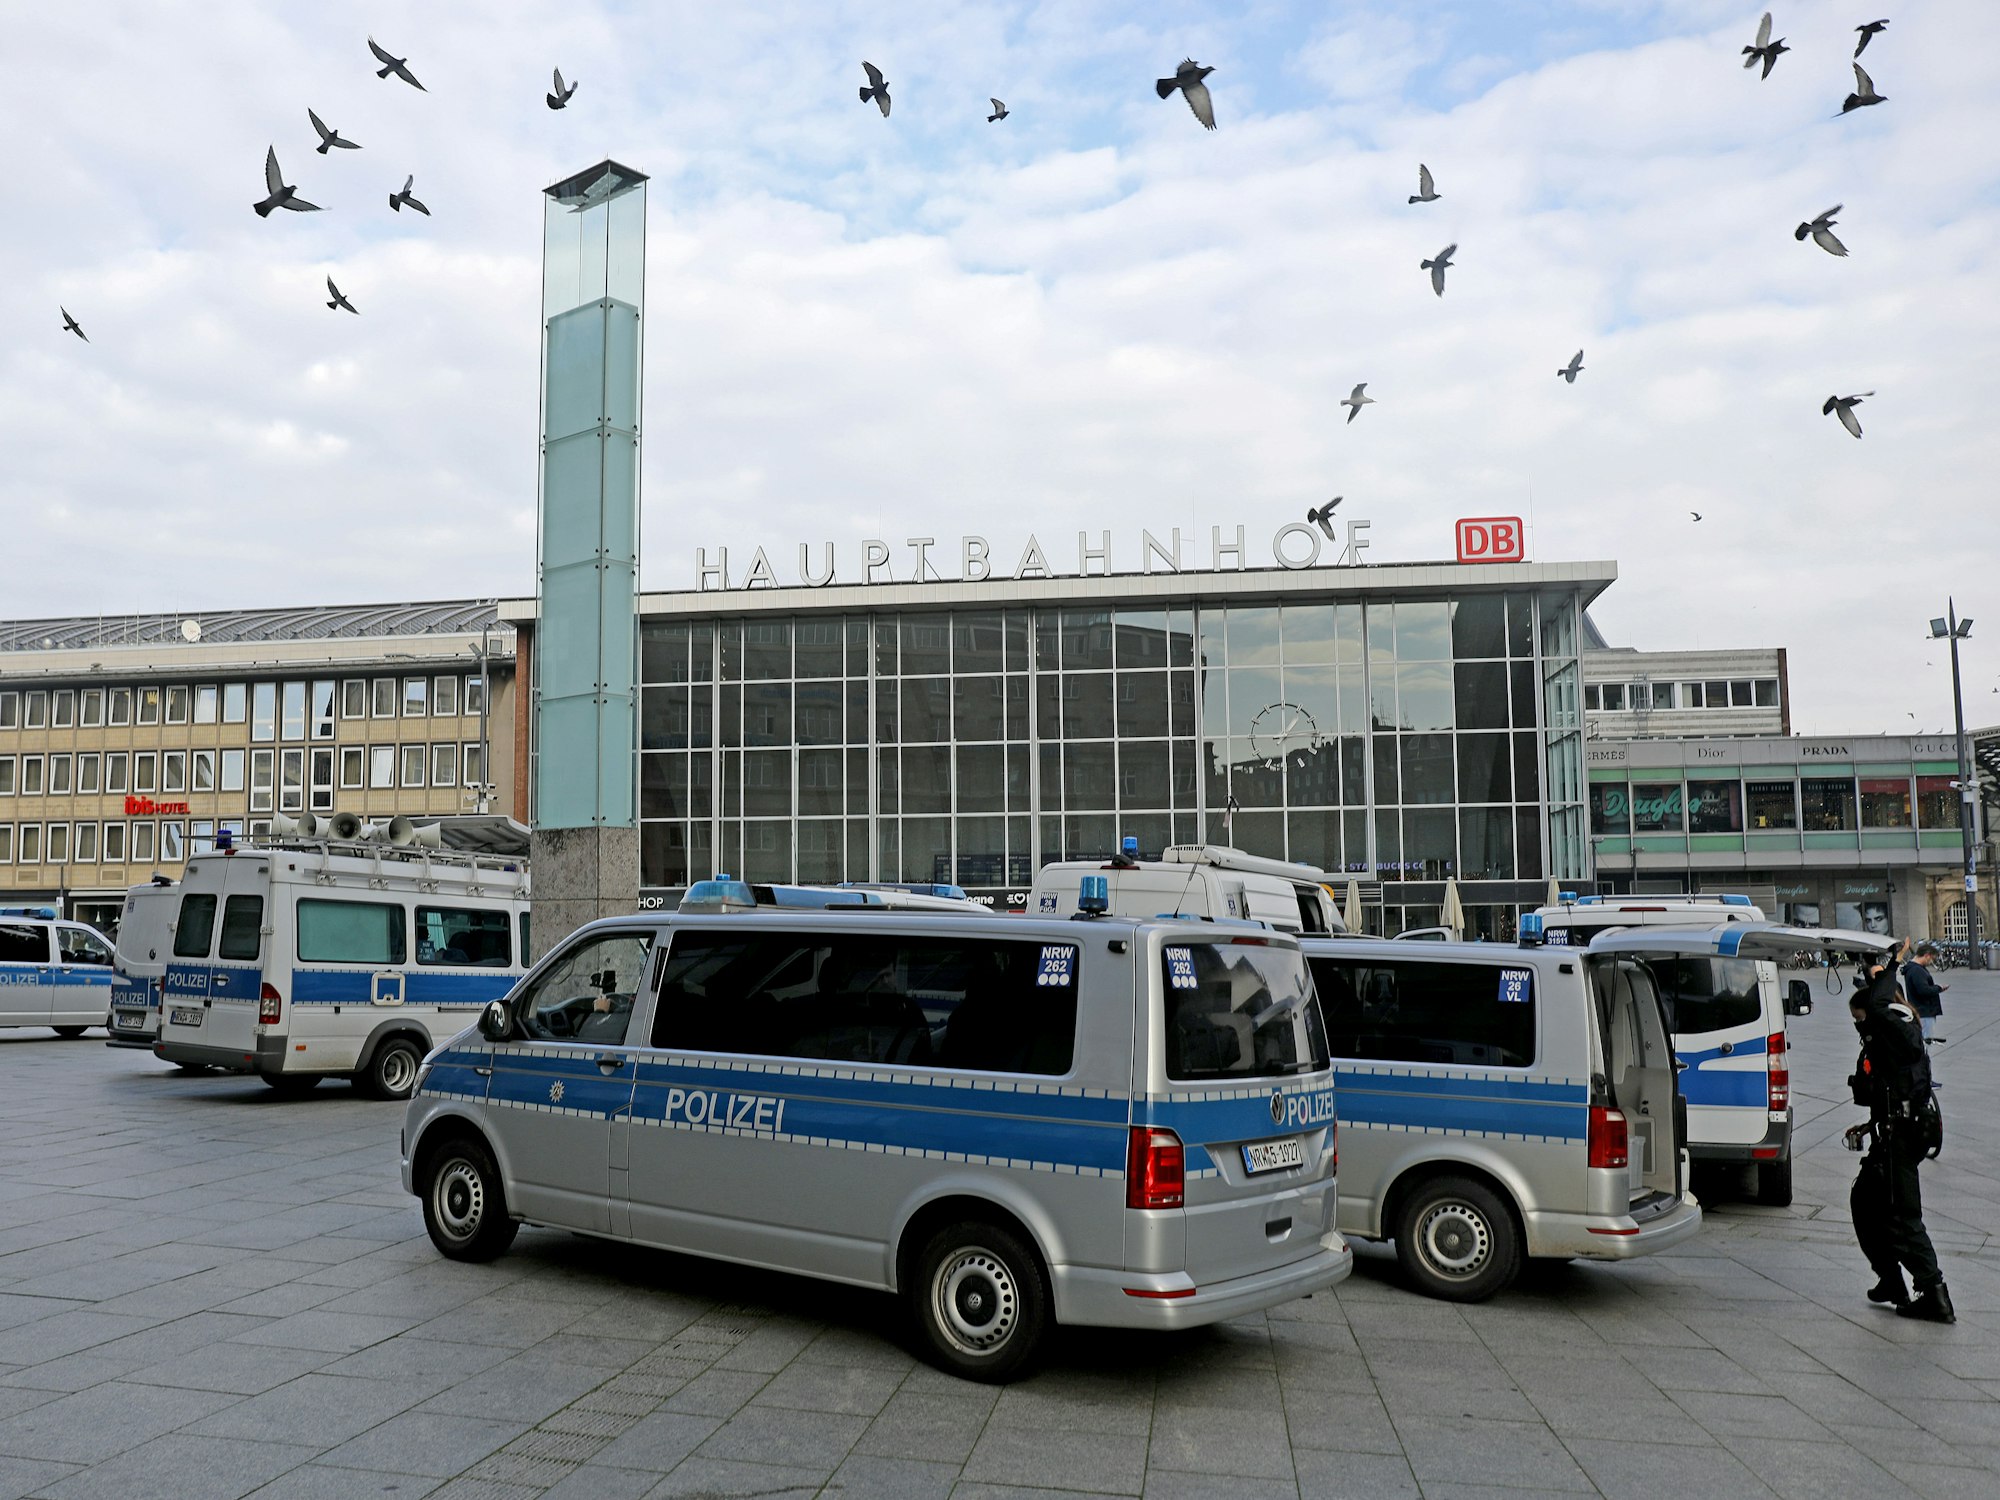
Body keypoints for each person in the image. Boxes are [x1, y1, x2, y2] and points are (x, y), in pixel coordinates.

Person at [1844, 938, 1953, 1322]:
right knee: (1865, 1202)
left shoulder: (1896, 1027)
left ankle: (1934, 1292)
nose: (1861, 1028)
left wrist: (1892, 963)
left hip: (1901, 1135)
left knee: (1901, 1214)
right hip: (1897, 1129)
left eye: (1860, 1021)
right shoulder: (1899, 1029)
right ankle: (1891, 1278)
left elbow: (1875, 1006)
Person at [1901, 941, 1947, 1057]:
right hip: (1924, 1011)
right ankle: (1922, 1067)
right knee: (1925, 1044)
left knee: (1922, 1042)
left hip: (1920, 1010)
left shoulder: (1913, 969)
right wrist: (1938, 988)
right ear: (1927, 955)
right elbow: (1923, 990)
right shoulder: (1917, 971)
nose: (1931, 962)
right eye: (1931, 959)